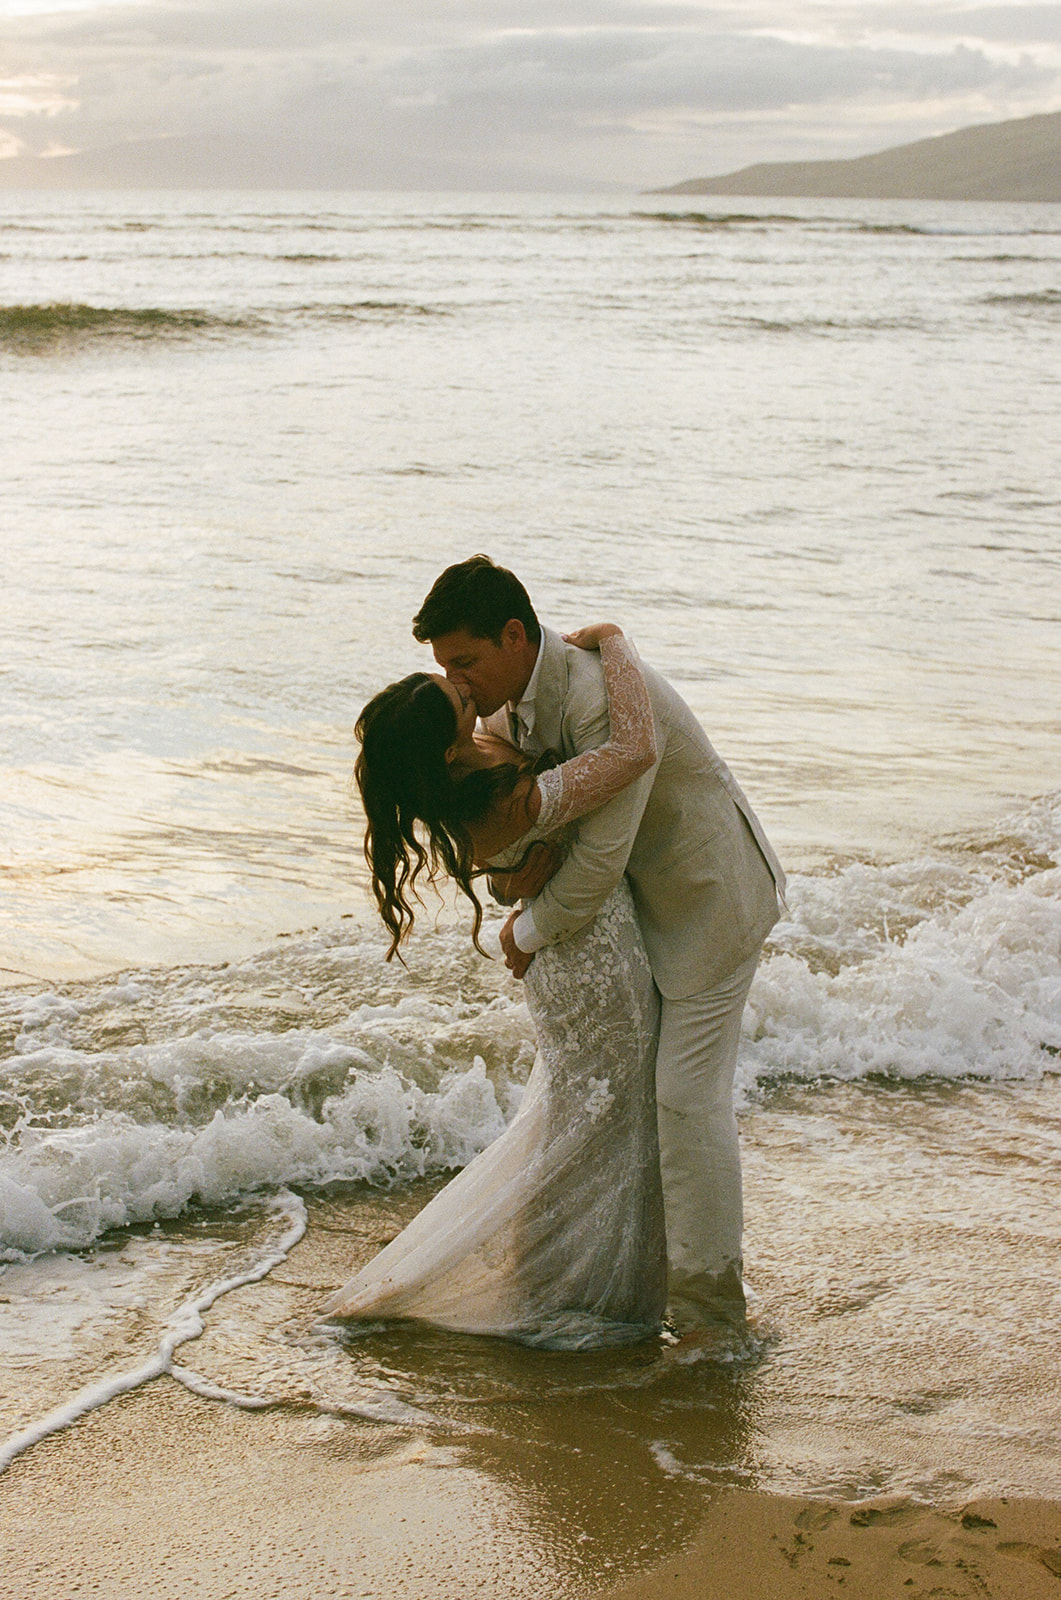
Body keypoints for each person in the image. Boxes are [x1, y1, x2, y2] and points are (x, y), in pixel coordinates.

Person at [414, 556, 786, 1335]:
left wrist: (525, 930)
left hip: (705, 899)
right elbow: (512, 847)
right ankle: (599, 1280)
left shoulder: (601, 696)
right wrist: (513, 891)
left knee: (684, 1102)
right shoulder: (499, 714)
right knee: (611, 1107)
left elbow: (598, 860)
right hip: (633, 920)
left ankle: (712, 1314)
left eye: (465, 661)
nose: (457, 682)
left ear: (513, 635)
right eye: (444, 666)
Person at [324, 623, 669, 1348]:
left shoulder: (468, 764)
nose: (461, 686)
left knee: (584, 1121)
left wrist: (513, 881)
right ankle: (582, 1294)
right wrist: (613, 643)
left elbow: (511, 864)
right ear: (447, 747)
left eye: (453, 677)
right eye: (451, 695)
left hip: (571, 960)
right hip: (592, 962)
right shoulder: (506, 795)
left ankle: (566, 1279)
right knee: (608, 1123)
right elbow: (632, 752)